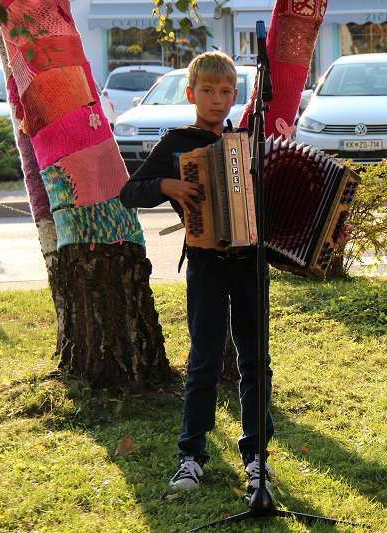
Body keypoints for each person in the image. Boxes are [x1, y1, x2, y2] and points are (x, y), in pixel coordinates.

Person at [119, 50, 275, 492]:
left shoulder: (246, 140)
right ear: (191, 94)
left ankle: (257, 456)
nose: (217, 100)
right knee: (204, 359)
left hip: (250, 264)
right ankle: (191, 456)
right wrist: (165, 184)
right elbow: (129, 192)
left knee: (255, 361)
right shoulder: (175, 142)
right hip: (205, 263)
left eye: (226, 92)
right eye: (208, 91)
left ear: (235, 96)